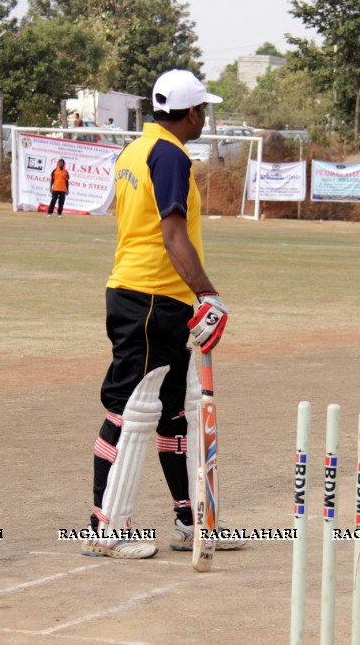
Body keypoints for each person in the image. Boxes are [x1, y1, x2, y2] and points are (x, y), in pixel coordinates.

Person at [83, 69, 242, 560]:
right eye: (203, 111)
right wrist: (209, 295)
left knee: (176, 410)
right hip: (148, 295)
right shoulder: (170, 155)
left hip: (154, 295)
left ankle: (190, 518)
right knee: (132, 410)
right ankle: (105, 527)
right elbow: (174, 236)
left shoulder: (134, 150)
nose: (204, 118)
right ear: (192, 113)